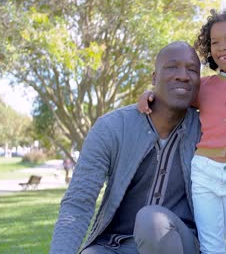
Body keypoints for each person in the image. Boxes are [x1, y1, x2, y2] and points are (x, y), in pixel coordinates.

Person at [50, 41, 202, 254]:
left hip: (181, 243)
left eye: (193, 70)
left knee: (152, 221)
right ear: (154, 77)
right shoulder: (112, 127)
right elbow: (79, 201)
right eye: (172, 67)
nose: (183, 75)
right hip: (115, 245)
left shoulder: (207, 129)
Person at [139, 9, 226, 254]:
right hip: (204, 173)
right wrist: (149, 94)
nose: (222, 47)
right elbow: (172, 95)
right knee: (211, 244)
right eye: (215, 42)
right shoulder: (205, 86)